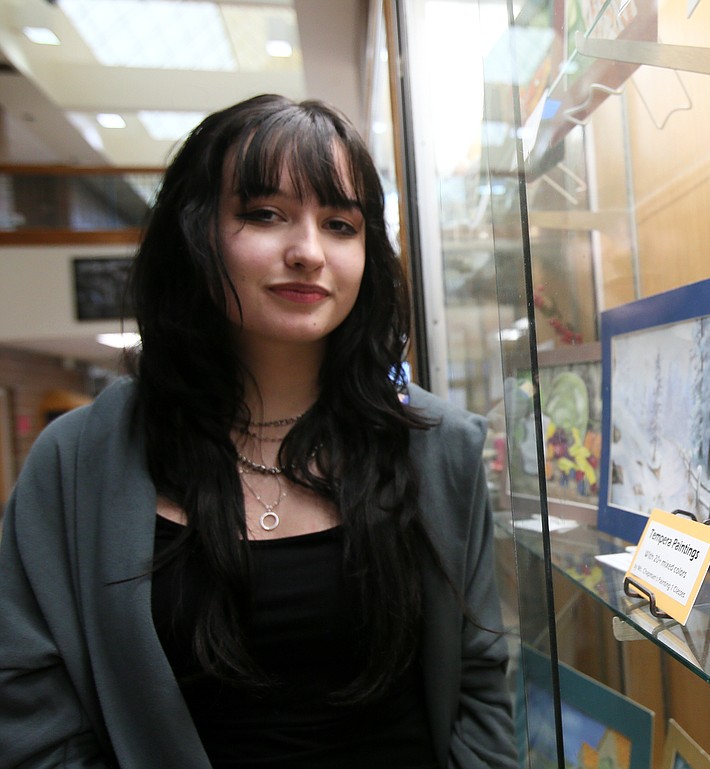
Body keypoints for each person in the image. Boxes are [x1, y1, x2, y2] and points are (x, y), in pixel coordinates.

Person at [0, 94, 518, 769]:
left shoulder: (436, 444)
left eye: (339, 223)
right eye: (265, 214)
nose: (307, 251)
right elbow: (30, 707)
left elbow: (479, 685)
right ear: (197, 231)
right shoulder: (76, 462)